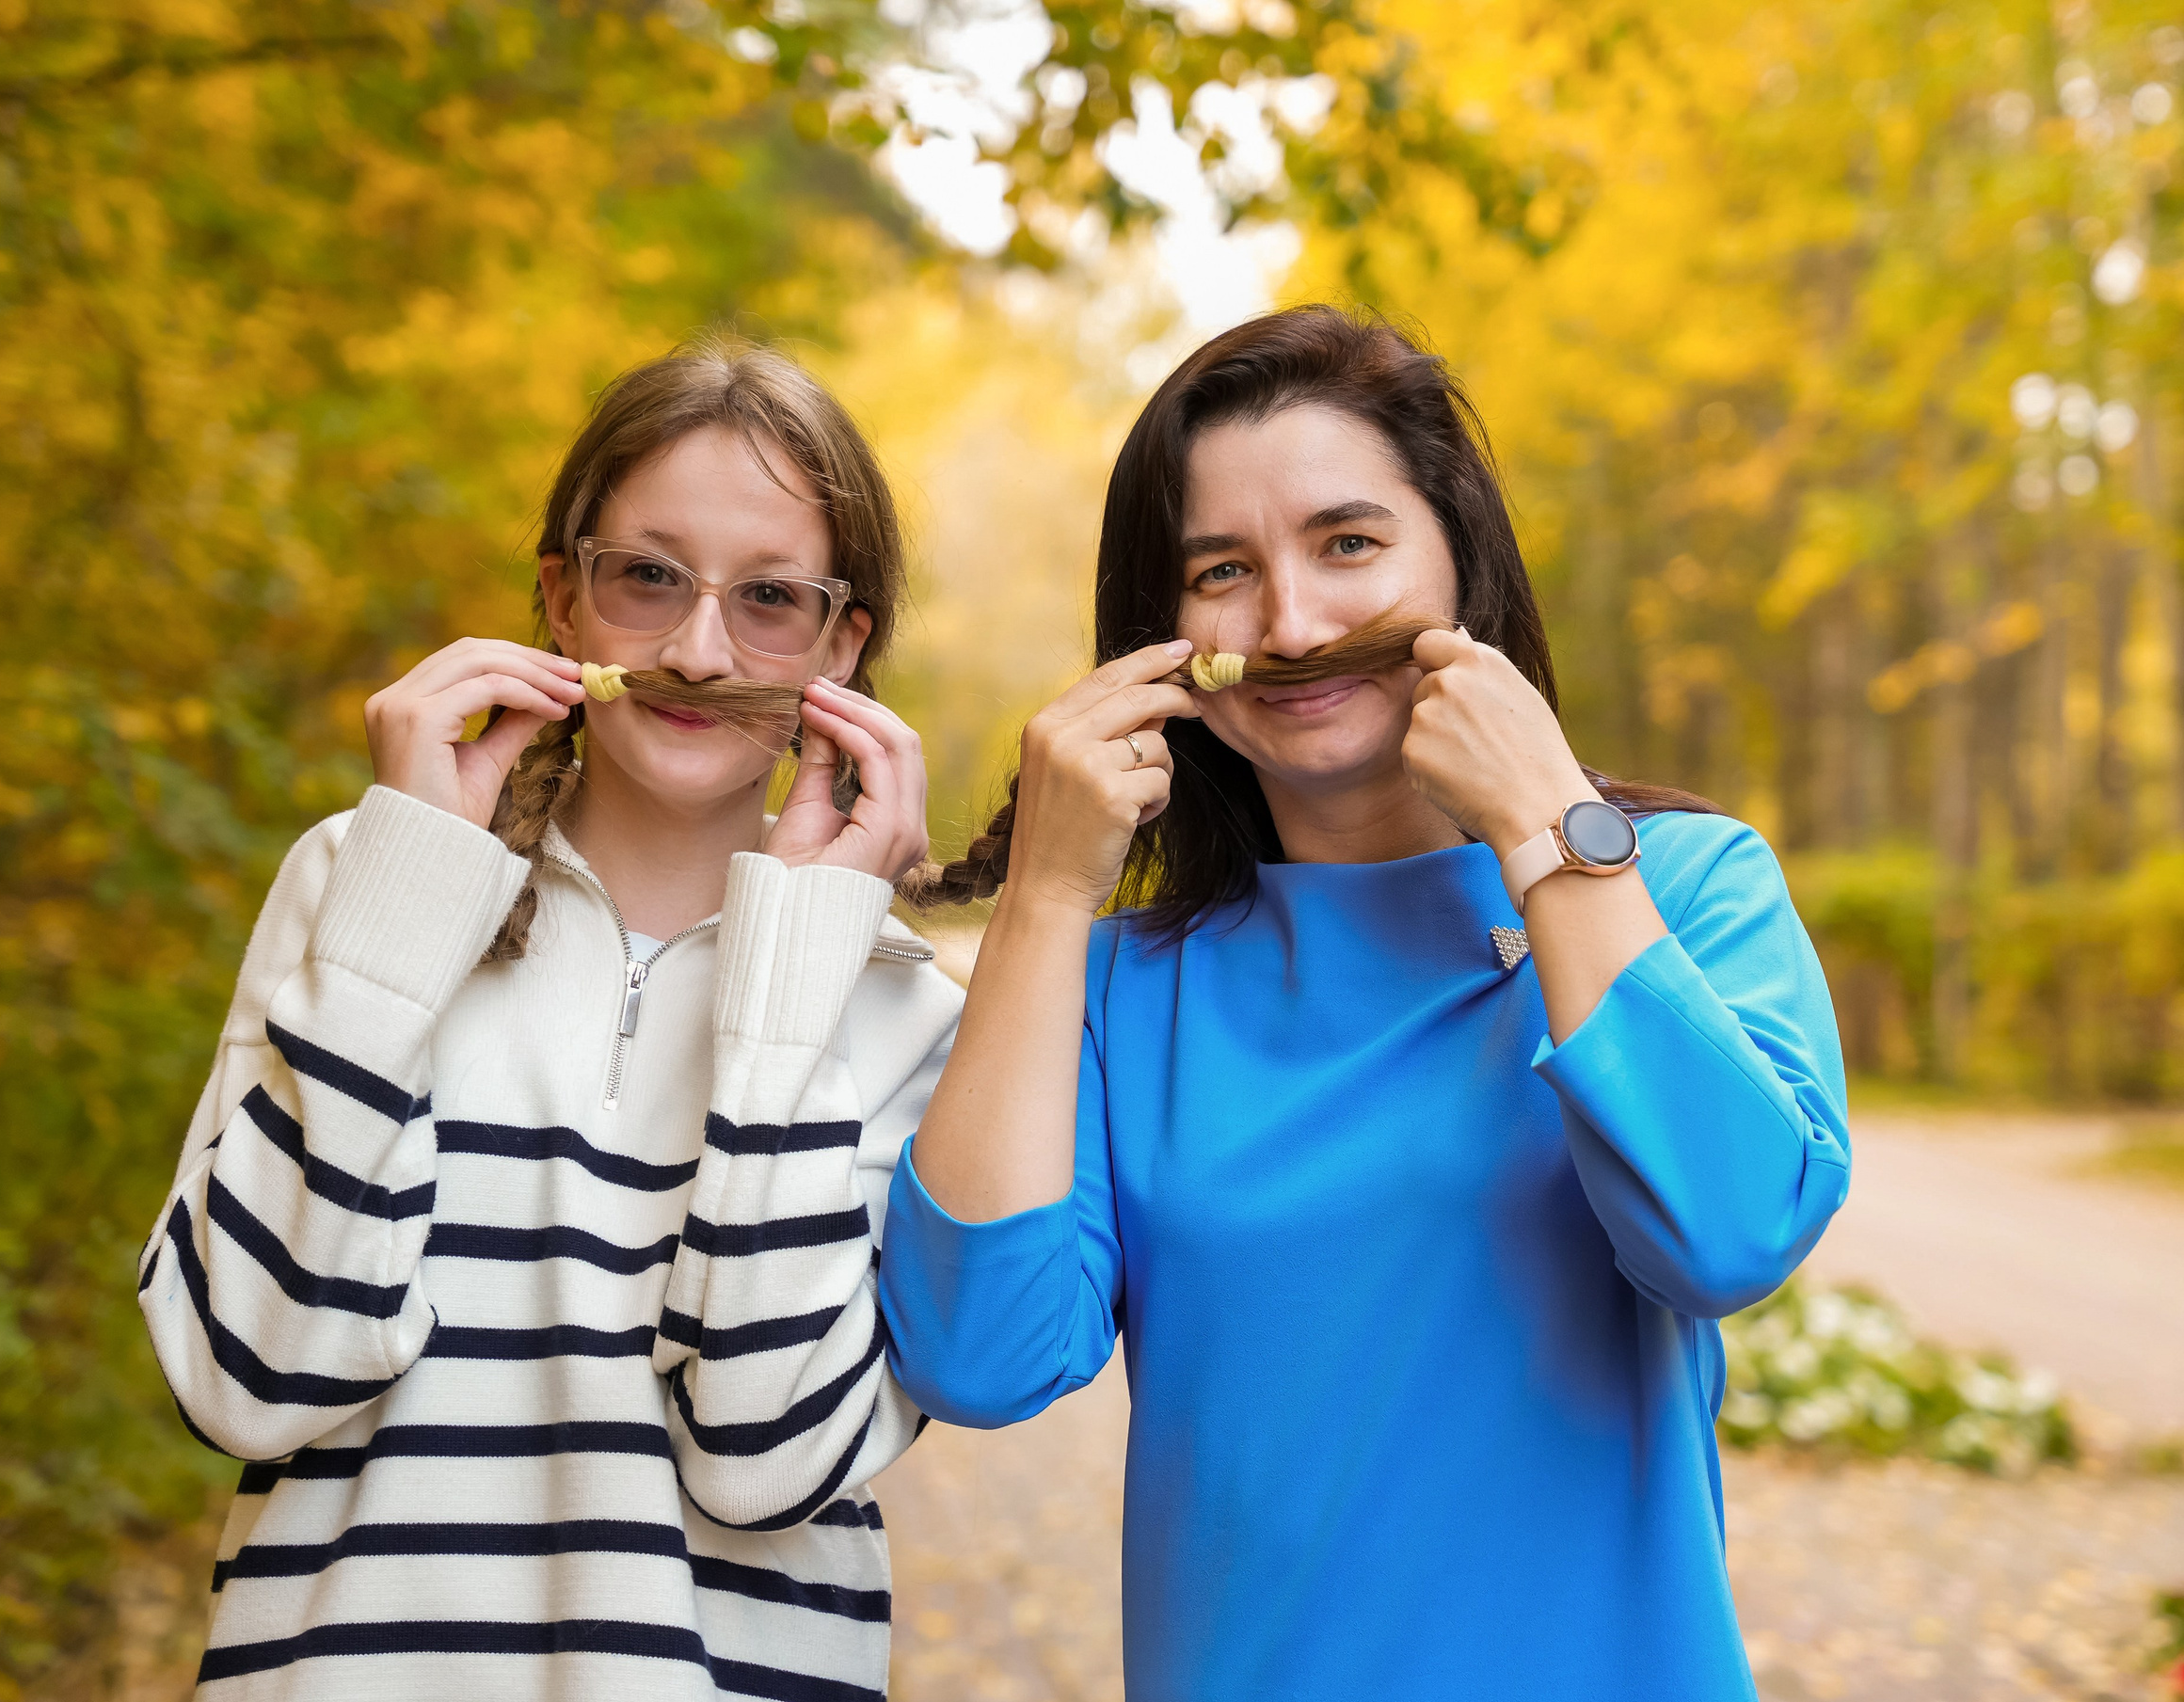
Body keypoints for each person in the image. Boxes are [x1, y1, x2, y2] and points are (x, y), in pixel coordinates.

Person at [880, 305, 1849, 1700]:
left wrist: (1541, 820)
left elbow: (1733, 1233)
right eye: (1223, 569)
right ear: (1166, 636)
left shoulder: (1683, 886)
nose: (1292, 621)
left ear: (1459, 561)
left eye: (1348, 543)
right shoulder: (1120, 986)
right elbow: (979, 1355)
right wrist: (1043, 896)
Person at [138, 338, 960, 1698]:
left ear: (842, 643)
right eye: (647, 576)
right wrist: (411, 892)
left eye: (769, 599)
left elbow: (766, 1463)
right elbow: (247, 1375)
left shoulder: (906, 1004)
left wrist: (792, 982)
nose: (699, 650)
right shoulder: (359, 879)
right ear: (560, 597)